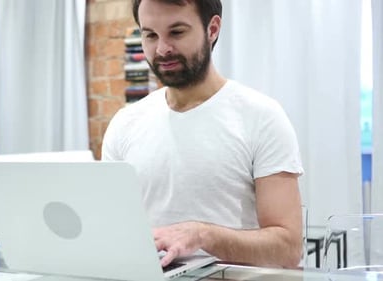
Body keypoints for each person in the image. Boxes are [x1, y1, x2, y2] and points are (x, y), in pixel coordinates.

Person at [101, 0, 304, 269]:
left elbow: (288, 249)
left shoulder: (262, 118)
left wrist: (202, 235)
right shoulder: (124, 124)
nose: (162, 49)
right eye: (150, 35)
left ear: (213, 29)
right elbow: (112, 233)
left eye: (177, 32)